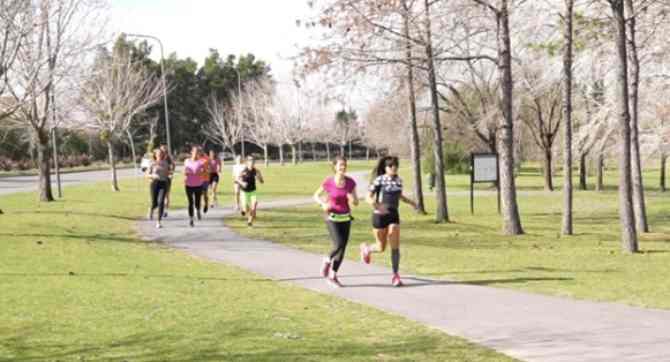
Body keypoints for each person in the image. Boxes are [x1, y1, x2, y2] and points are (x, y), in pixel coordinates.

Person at [360, 156, 417, 287]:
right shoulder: (379, 180)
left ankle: (395, 275)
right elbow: (367, 197)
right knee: (381, 247)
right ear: (385, 168)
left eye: (396, 165)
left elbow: (399, 195)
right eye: (391, 166)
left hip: (393, 216)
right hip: (379, 216)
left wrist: (411, 203)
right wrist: (374, 204)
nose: (394, 168)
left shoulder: (399, 180)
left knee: (395, 246)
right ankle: (367, 249)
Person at [313, 156, 359, 288]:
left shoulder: (350, 182)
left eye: (344, 165)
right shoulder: (329, 182)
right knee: (338, 244)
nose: (343, 167)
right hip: (332, 217)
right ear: (335, 167)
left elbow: (356, 202)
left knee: (342, 248)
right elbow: (315, 195)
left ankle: (333, 275)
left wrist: (352, 198)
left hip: (345, 217)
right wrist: (322, 204)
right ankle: (327, 260)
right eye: (340, 165)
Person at [146, 148, 171, 229]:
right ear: (155, 155)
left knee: (161, 202)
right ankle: (151, 208)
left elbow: (168, 173)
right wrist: (153, 176)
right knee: (154, 203)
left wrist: (169, 174)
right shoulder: (152, 163)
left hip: (163, 184)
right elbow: (147, 175)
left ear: (163, 155)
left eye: (161, 154)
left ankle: (158, 221)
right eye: (158, 154)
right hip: (154, 184)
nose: (159, 155)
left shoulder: (165, 163)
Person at [236, 155, 264, 227]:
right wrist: (242, 183)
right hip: (244, 192)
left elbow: (262, 181)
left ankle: (250, 221)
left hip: (253, 191)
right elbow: (237, 180)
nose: (252, 162)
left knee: (253, 207)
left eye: (253, 161)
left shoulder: (257, 171)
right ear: (247, 162)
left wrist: (259, 178)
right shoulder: (243, 171)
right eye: (250, 160)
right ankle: (244, 209)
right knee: (245, 208)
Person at [184, 146, 206, 227]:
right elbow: (184, 171)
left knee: (197, 202)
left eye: (198, 152)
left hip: (198, 184)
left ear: (199, 153)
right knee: (190, 202)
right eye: (195, 152)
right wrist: (186, 172)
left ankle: (198, 210)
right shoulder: (186, 161)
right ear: (191, 152)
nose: (196, 153)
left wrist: (202, 172)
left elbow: (205, 172)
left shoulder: (201, 162)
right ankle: (191, 219)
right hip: (188, 184)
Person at [159, 144, 175, 218]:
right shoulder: (157, 156)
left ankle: (165, 210)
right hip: (158, 178)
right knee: (158, 195)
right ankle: (159, 209)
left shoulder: (169, 157)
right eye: (162, 149)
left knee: (166, 195)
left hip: (166, 178)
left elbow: (173, 165)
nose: (164, 150)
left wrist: (171, 173)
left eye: (165, 149)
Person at [199, 149, 211, 214]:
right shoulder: (196, 158)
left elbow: (210, 168)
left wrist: (205, 170)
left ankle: (206, 204)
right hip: (197, 179)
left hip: (205, 179)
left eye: (200, 151)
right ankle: (198, 207)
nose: (199, 152)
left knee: (205, 194)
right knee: (198, 194)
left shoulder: (207, 158)